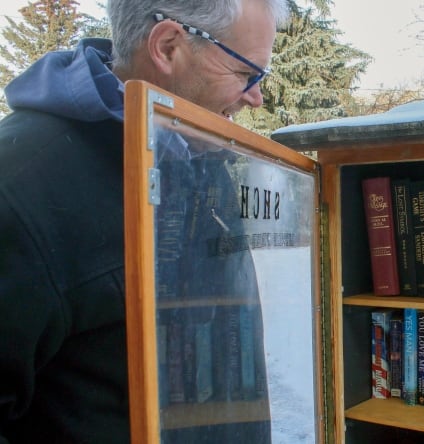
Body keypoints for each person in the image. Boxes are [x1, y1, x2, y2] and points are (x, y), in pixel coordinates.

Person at [0, 0, 288, 442]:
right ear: (168, 45)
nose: (257, 96)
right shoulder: (20, 181)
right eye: (247, 73)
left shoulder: (202, 155)